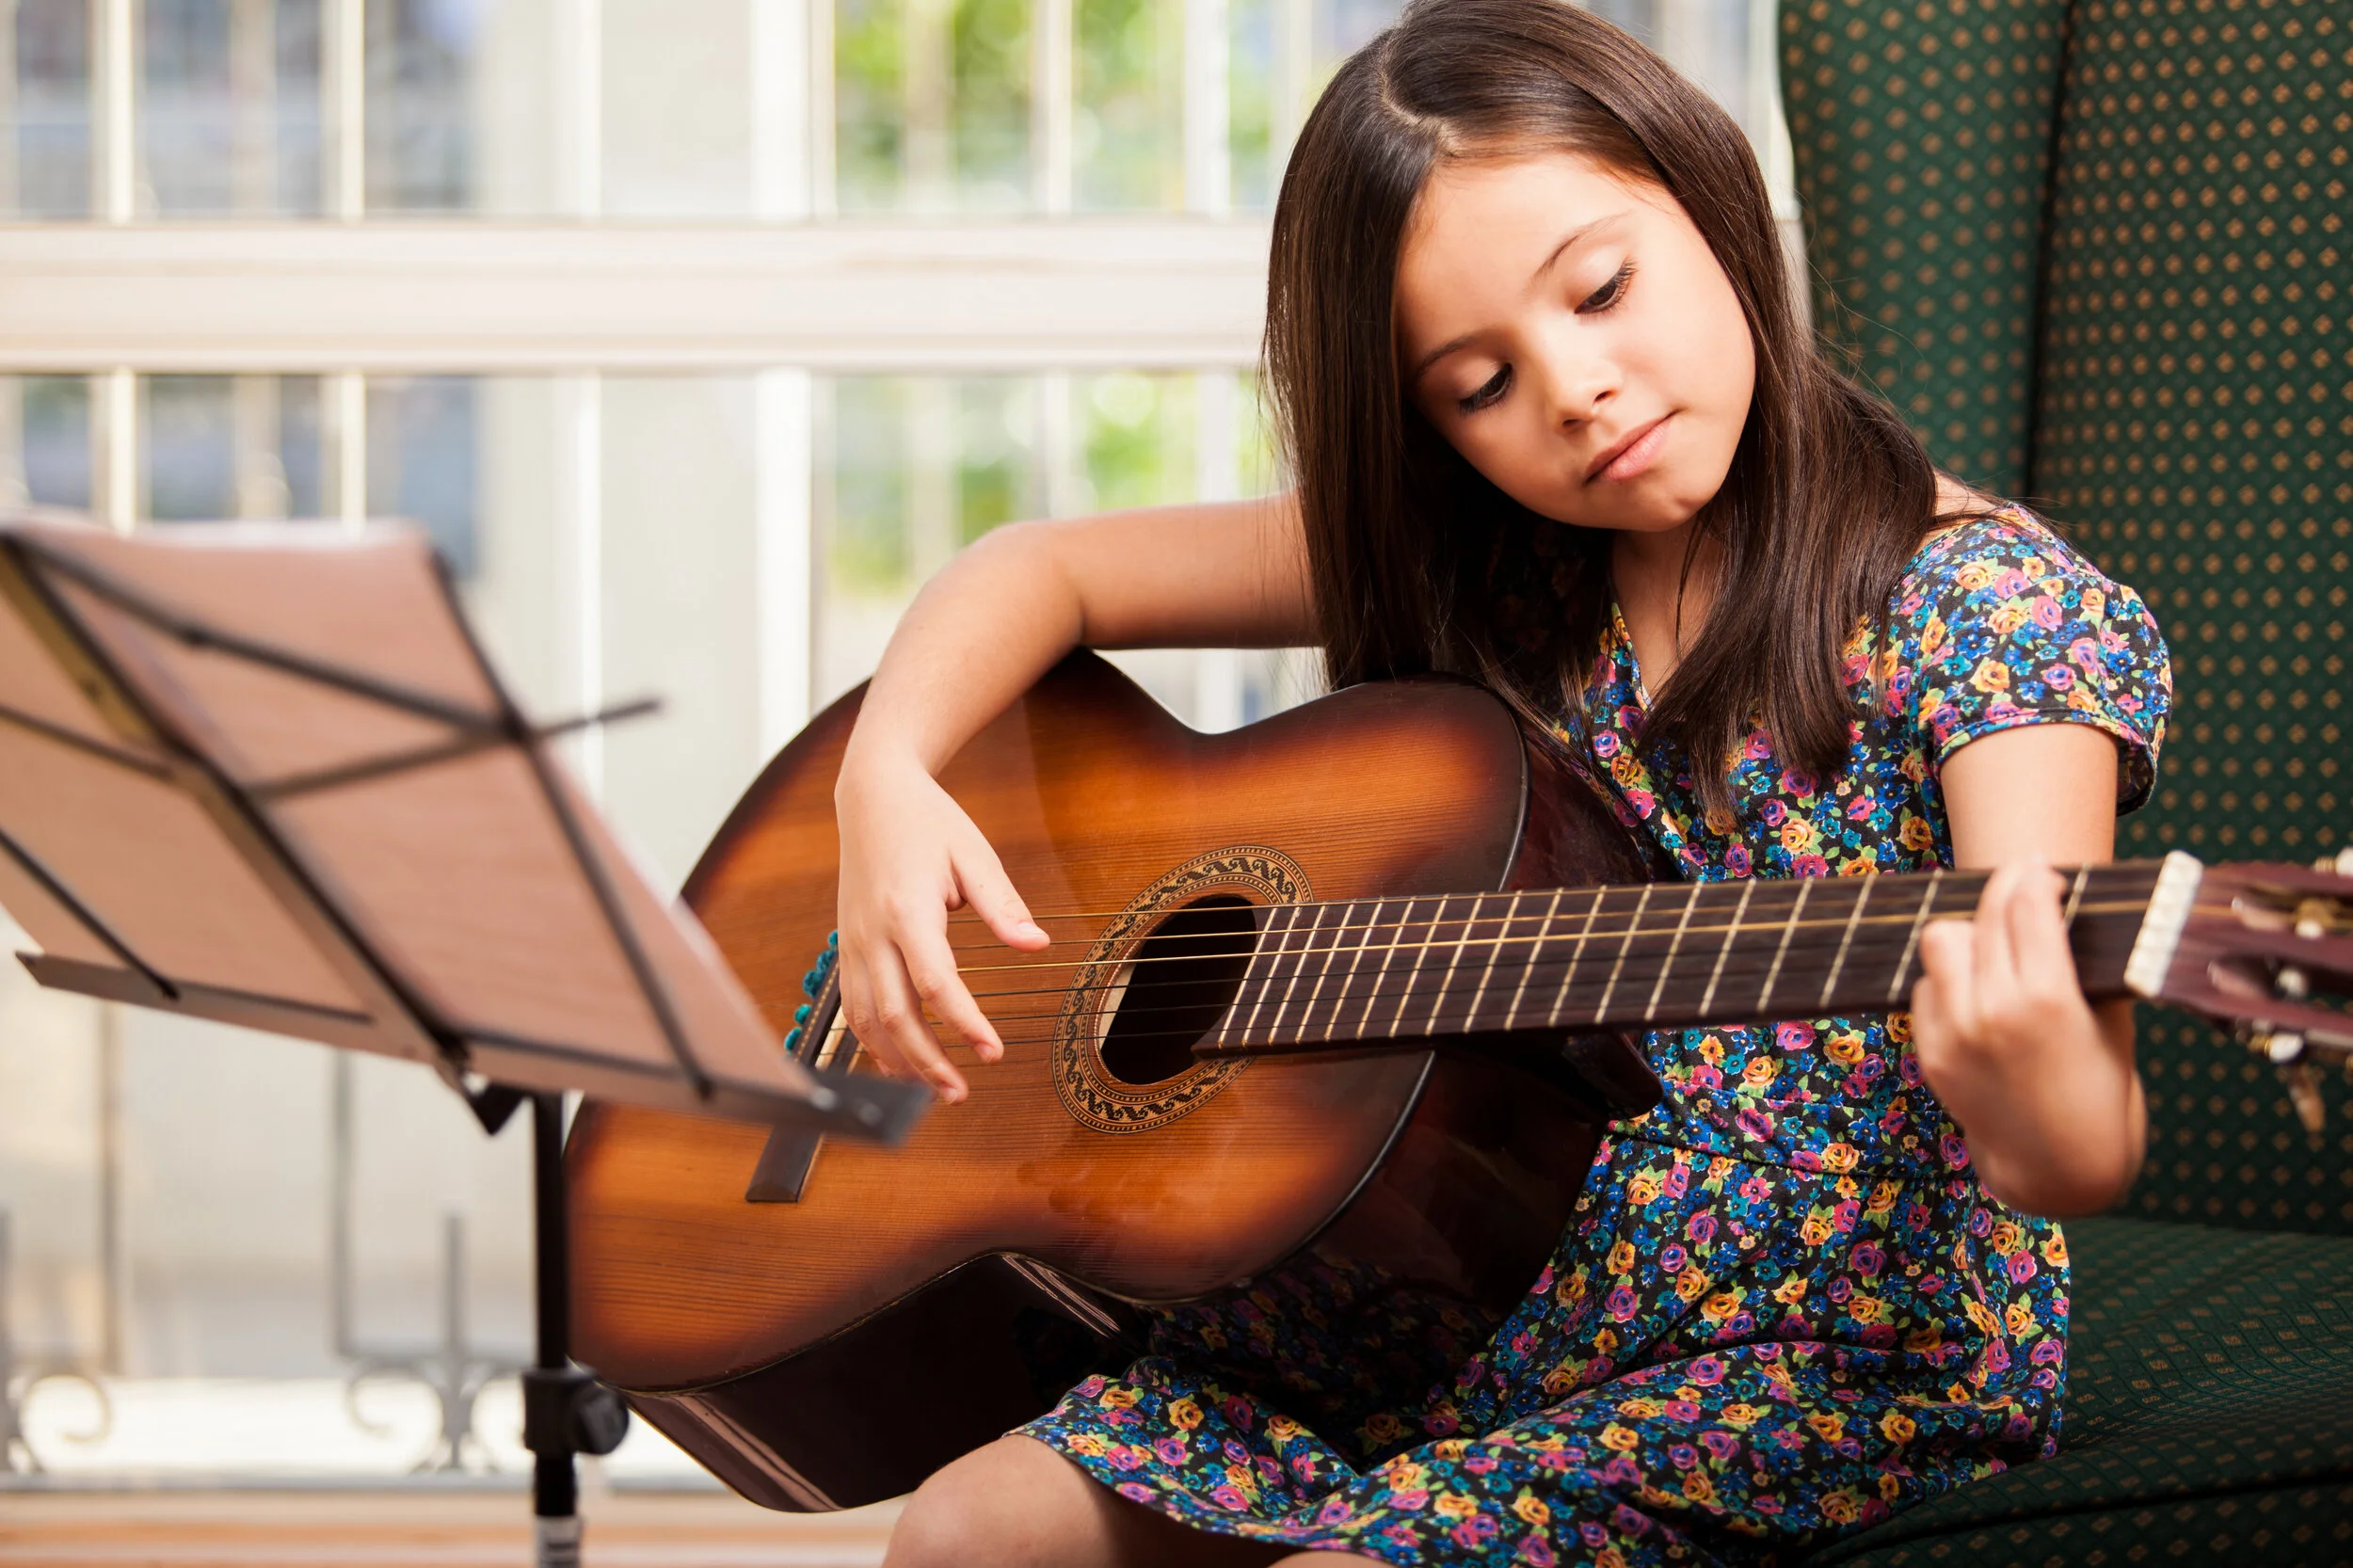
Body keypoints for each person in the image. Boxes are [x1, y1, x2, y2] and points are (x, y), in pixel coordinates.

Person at [833, 1, 2170, 1562]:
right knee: (967, 1529)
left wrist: (2035, 1087)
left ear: (1708, 193)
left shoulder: (1991, 617)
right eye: (1479, 384)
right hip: (1455, 1286)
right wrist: (889, 773)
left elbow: (2076, 1142)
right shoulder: (1500, 563)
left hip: (1819, 1357)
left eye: (1603, 289)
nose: (1578, 389)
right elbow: (1040, 567)